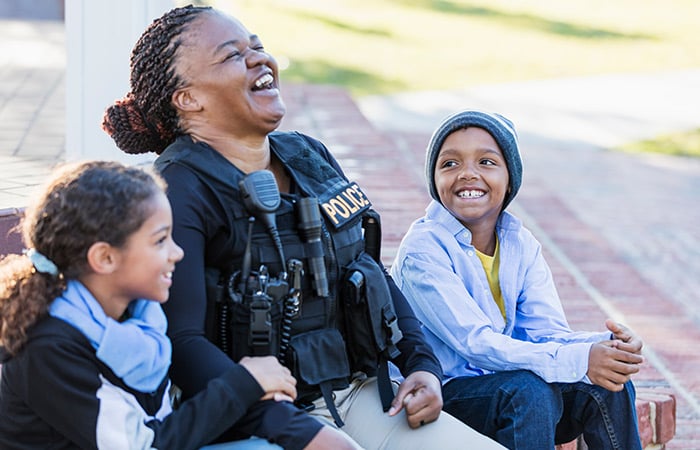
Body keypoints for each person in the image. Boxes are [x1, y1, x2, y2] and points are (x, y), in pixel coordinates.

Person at [102, 5, 502, 450]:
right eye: (232, 55)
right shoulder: (176, 190)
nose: (258, 59)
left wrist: (421, 365)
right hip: (250, 418)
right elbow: (182, 342)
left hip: (360, 395)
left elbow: (368, 268)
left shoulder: (308, 155)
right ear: (189, 98)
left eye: (257, 46)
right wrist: (299, 431)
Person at [390, 110, 645, 449]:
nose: (467, 174)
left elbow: (544, 334)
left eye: (486, 162)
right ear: (434, 181)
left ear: (510, 179)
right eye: (449, 164)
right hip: (442, 395)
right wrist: (580, 359)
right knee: (528, 391)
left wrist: (606, 350)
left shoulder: (520, 243)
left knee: (608, 383)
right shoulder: (422, 251)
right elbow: (476, 345)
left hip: (506, 389)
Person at [0, 160, 295, 449]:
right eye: (160, 241)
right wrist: (244, 383)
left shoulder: (136, 315)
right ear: (105, 258)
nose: (177, 252)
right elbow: (145, 445)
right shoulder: (48, 345)